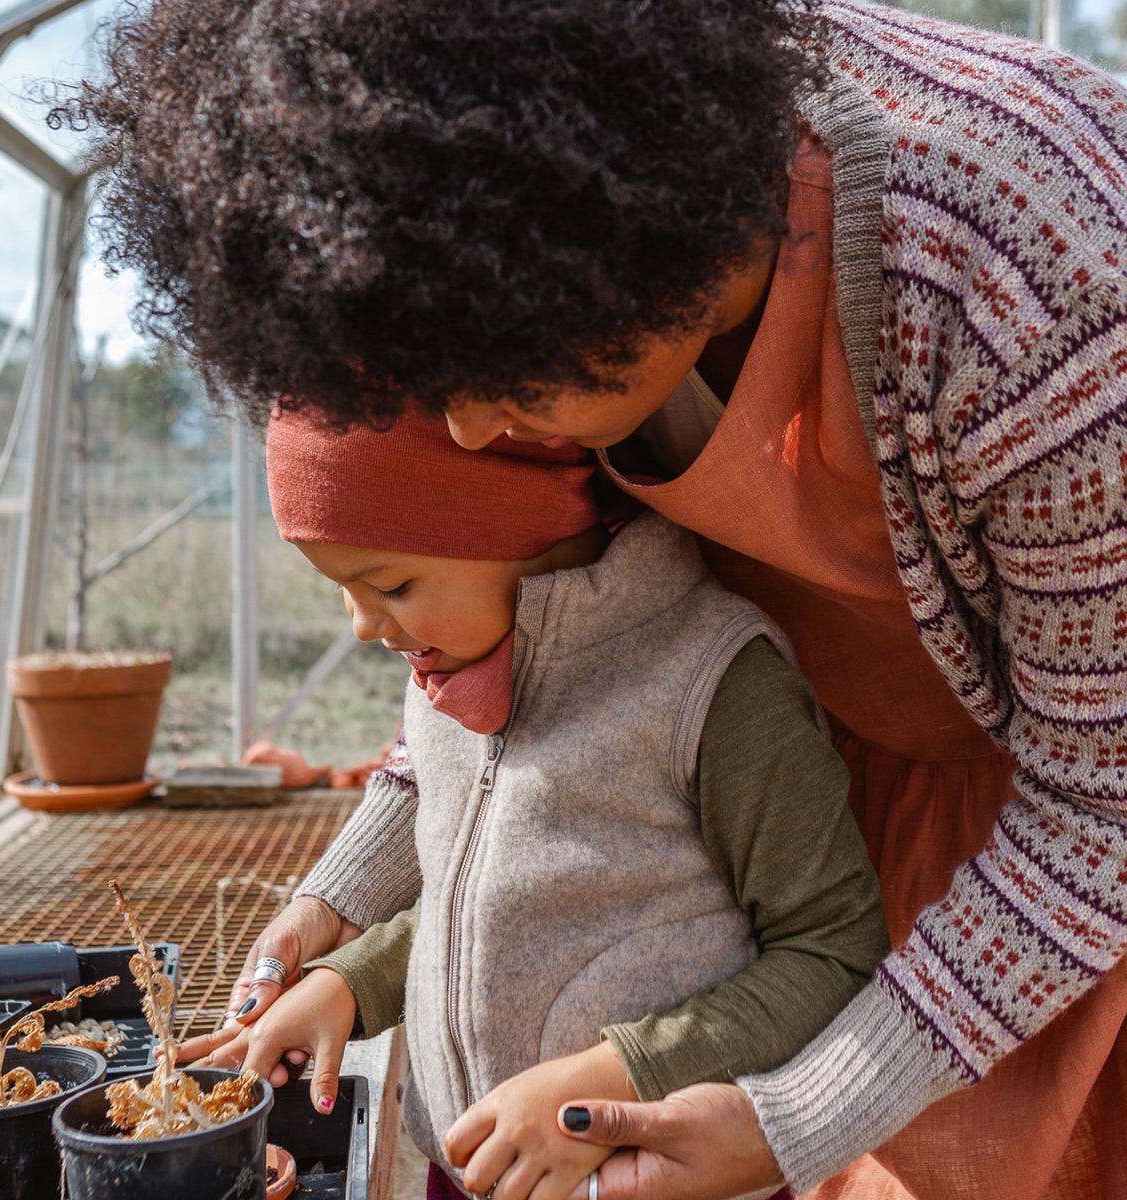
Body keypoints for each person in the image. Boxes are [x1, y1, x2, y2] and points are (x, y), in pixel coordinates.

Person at [70, 0, 1127, 1195]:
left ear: (597, 226)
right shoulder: (547, 267)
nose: (469, 429)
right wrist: (343, 911)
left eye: (483, 374)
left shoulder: (1044, 278)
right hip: (866, 817)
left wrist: (790, 1120)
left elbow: (1102, 818)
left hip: (1047, 880)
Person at [180, 407, 888, 1200]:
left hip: (647, 1180)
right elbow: (476, 909)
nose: (363, 625)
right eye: (342, 589)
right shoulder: (452, 679)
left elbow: (834, 951)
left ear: (513, 522)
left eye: (390, 585)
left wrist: (615, 1077)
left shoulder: (716, 685)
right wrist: (347, 985)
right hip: (473, 1170)